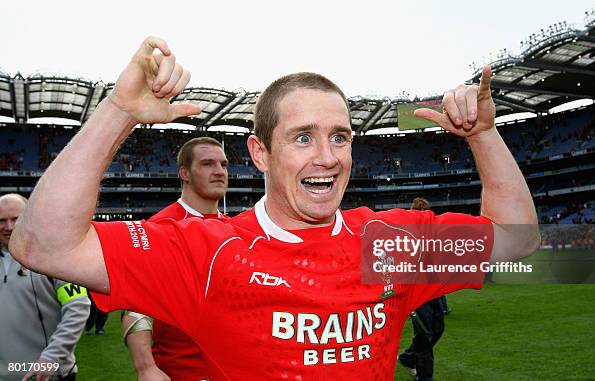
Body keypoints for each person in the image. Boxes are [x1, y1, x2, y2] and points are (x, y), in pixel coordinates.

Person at [9, 37, 540, 380]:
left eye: (340, 136)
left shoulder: (387, 245)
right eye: (303, 138)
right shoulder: (209, 252)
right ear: (260, 152)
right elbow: (41, 243)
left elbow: (517, 239)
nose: (328, 158)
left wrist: (486, 135)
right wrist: (119, 113)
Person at [122, 136, 229, 381]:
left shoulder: (234, 229)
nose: (219, 171)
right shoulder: (160, 228)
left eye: (223, 165)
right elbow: (136, 305)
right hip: (182, 371)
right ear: (185, 173)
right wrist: (145, 367)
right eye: (207, 164)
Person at [0, 194, 90, 381]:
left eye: (15, 219)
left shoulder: (56, 259)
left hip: (46, 374)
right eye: (1, 220)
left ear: (29, 218)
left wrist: (52, 357)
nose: (8, 227)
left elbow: (78, 307)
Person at [397, 197, 447, 381]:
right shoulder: (404, 236)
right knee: (425, 334)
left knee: (438, 328)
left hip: (432, 291)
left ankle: (408, 356)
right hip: (416, 293)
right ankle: (425, 377)